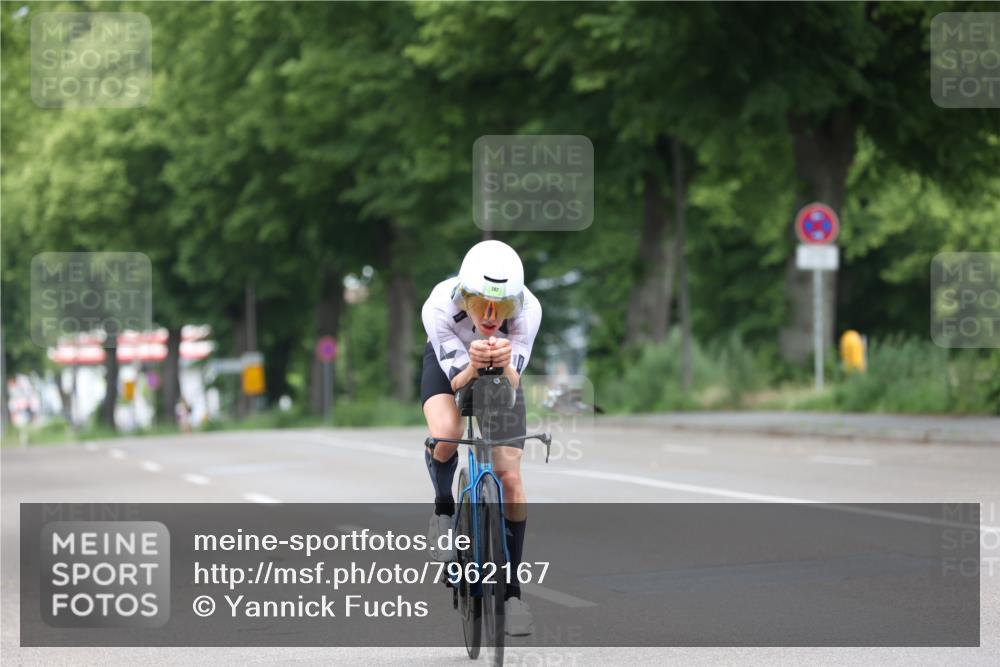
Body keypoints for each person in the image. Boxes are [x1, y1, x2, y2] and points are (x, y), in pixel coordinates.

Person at [420, 239, 542, 636]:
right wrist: (473, 366)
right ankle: (443, 508)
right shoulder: (438, 306)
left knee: (510, 479)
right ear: (464, 296)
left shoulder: (530, 310)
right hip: (453, 365)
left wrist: (503, 365)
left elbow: (513, 381)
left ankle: (512, 594)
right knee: (447, 433)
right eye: (481, 305)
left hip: (502, 372)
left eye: (503, 307)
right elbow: (455, 381)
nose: (491, 317)